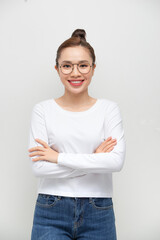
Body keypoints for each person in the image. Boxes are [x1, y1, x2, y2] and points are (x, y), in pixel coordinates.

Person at [28, 29, 126, 240]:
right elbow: (39, 167)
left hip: (98, 210)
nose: (75, 73)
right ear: (57, 68)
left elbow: (116, 162)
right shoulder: (42, 110)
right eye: (67, 66)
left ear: (93, 68)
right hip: (50, 209)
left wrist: (58, 158)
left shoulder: (109, 109)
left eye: (83, 65)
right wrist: (96, 160)